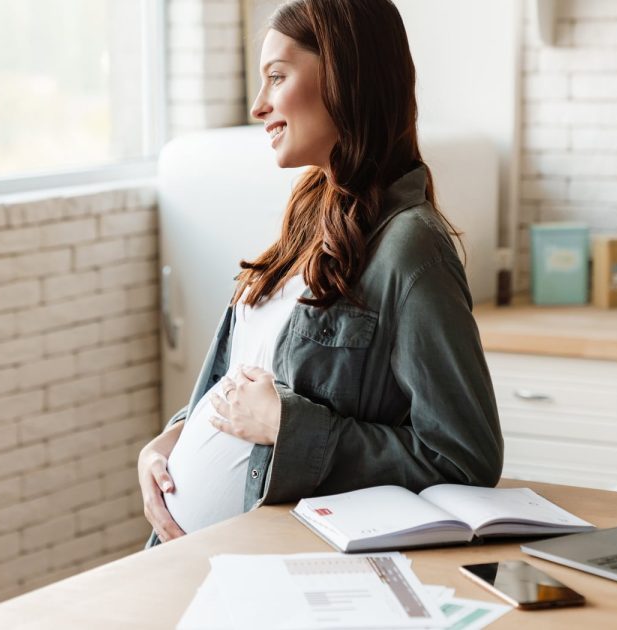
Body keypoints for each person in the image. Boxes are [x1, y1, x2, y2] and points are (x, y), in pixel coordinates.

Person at [137, 0, 503, 546]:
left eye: (277, 77)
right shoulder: (311, 214)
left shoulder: (411, 249)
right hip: (190, 555)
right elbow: (244, 375)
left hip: (278, 564)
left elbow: (464, 458)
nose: (258, 106)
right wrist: (171, 440)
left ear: (344, 76)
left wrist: (291, 428)